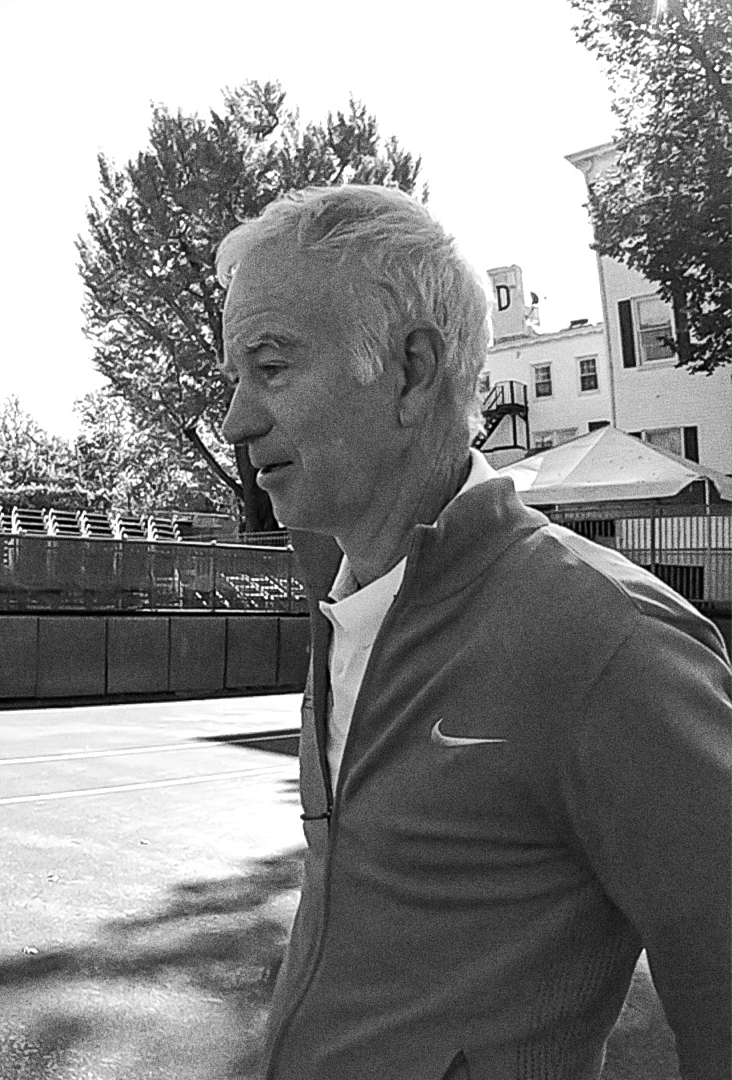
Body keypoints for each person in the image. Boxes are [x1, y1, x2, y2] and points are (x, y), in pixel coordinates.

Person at [217, 186, 732, 1079]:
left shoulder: (606, 641)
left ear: (413, 371)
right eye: (236, 379)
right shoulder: (350, 605)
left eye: (271, 368)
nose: (236, 419)